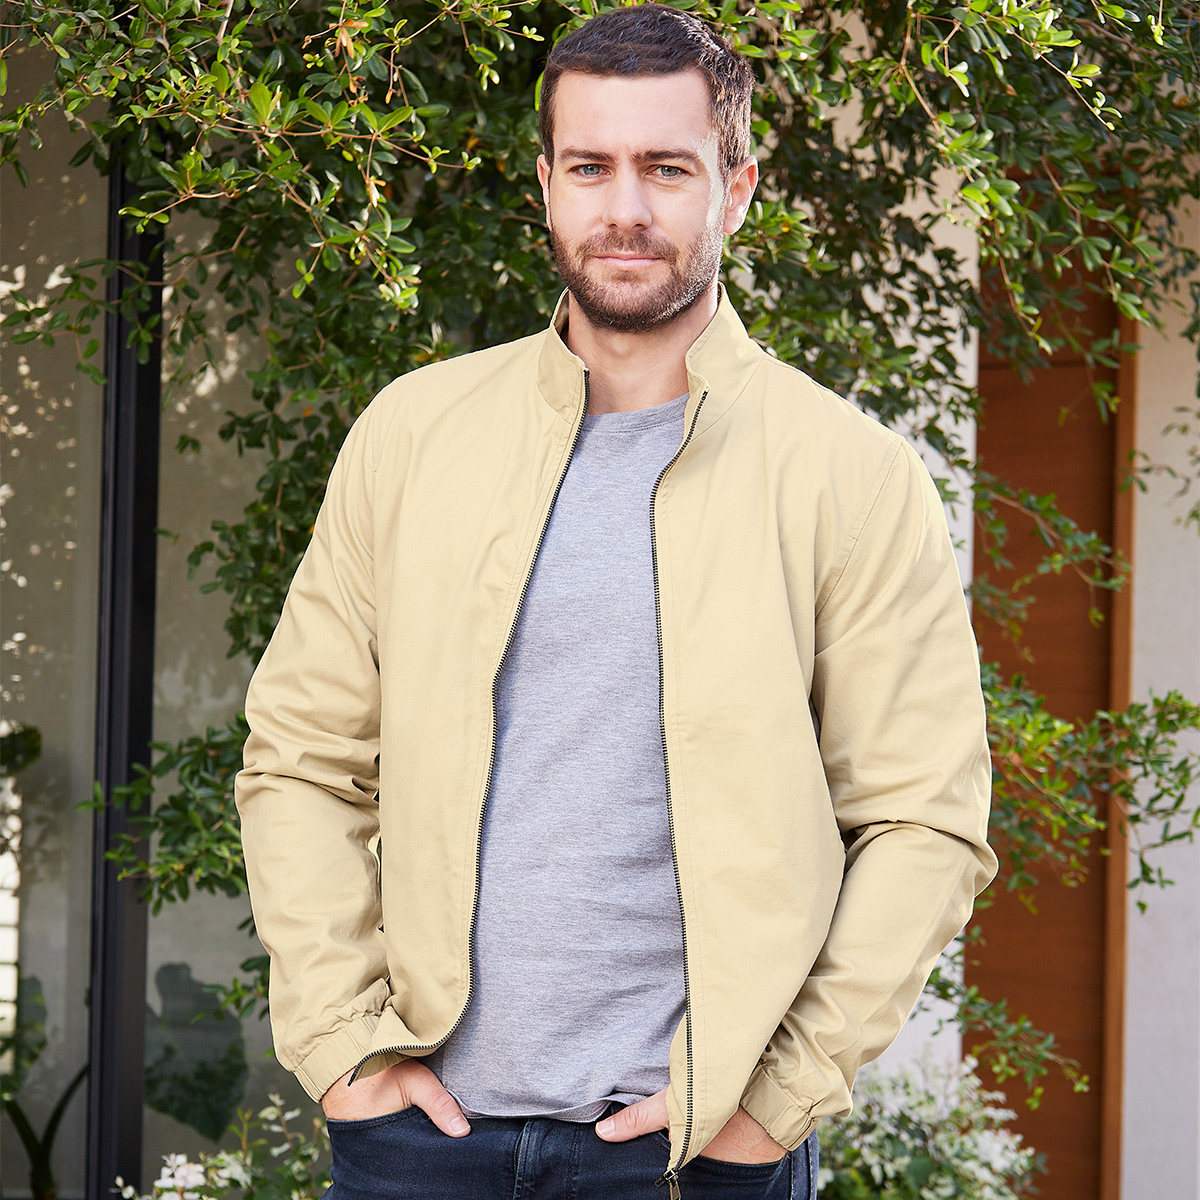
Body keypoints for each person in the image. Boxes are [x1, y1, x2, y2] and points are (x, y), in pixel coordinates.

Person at [235, 5, 998, 1198]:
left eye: (667, 168)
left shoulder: (849, 476)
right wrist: (344, 1049)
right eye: (590, 167)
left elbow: (923, 820)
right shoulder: (414, 437)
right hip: (419, 1145)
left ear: (736, 188)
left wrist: (775, 1099)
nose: (625, 207)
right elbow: (300, 759)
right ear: (546, 186)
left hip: (693, 1154)